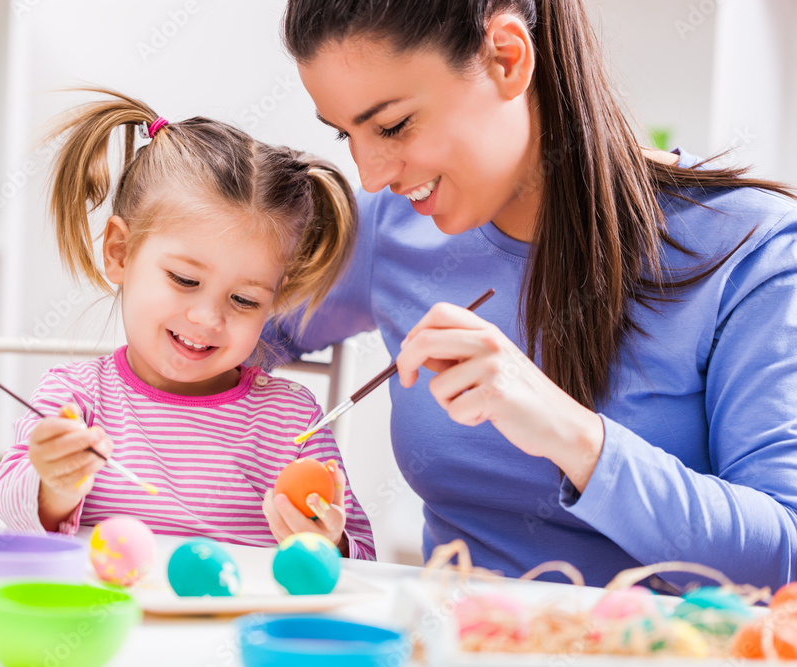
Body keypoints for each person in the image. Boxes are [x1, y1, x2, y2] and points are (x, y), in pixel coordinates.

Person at [265, 0, 797, 588]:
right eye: (348, 133)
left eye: (392, 125)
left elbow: (785, 561)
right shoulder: (391, 227)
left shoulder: (751, 248)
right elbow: (207, 332)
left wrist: (570, 434)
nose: (370, 173)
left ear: (506, 58)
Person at [0, 89, 375, 559]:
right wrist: (54, 483)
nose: (208, 318)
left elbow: (362, 558)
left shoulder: (289, 422)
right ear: (119, 252)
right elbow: (9, 509)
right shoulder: (77, 398)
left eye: (245, 299)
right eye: (185, 279)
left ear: (277, 295)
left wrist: (327, 542)